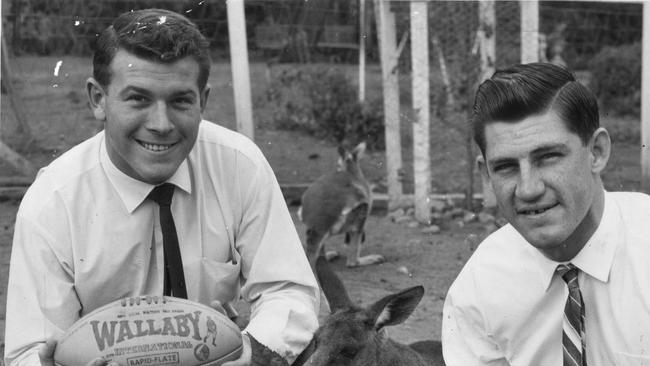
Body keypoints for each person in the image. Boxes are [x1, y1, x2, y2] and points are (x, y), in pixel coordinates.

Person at [4, 8, 320, 366]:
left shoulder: (238, 165)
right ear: (98, 100)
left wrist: (252, 354)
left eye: (180, 100)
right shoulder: (53, 202)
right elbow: (30, 349)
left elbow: (288, 289)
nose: (161, 124)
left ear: (203, 101)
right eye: (138, 98)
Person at [442, 62, 650, 365]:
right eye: (505, 167)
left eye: (548, 157)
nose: (528, 189)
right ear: (486, 176)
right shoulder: (478, 288)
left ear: (597, 152)